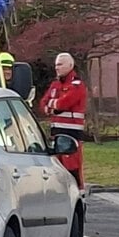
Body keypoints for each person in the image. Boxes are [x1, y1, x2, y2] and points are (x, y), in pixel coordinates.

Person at [38, 52, 87, 188]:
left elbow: (63, 103)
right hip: (57, 135)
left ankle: (79, 195)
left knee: (72, 168)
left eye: (60, 64)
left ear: (70, 65)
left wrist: (52, 105)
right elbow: (43, 104)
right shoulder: (55, 85)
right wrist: (54, 106)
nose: (56, 68)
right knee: (58, 170)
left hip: (71, 136)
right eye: (55, 65)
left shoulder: (77, 85)